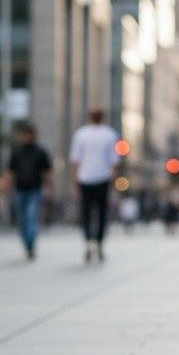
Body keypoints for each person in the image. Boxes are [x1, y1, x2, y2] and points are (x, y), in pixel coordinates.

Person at [69, 109, 119, 262]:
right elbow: (114, 161)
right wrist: (113, 179)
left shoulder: (81, 134)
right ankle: (98, 241)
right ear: (103, 118)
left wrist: (74, 181)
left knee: (86, 211)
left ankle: (89, 240)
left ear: (90, 118)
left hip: (85, 179)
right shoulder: (110, 134)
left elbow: (75, 160)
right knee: (102, 212)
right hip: (103, 178)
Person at [7, 125, 52, 261]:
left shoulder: (41, 153)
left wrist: (50, 188)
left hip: (35, 190)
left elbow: (47, 173)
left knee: (32, 217)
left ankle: (31, 245)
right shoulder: (17, 153)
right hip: (19, 190)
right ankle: (27, 245)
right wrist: (6, 187)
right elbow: (10, 172)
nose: (27, 137)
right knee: (22, 220)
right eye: (25, 135)